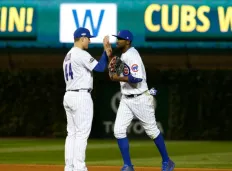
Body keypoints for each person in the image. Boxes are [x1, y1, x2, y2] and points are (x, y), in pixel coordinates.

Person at [108, 30, 175, 171]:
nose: (117, 40)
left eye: (120, 39)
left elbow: (136, 78)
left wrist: (117, 78)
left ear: (128, 41)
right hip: (126, 99)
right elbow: (117, 70)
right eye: (117, 38)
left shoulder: (133, 55)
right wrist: (109, 55)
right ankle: (128, 165)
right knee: (118, 130)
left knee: (152, 131)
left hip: (140, 98)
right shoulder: (124, 55)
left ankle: (167, 161)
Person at [63, 27, 111, 171]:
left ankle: (69, 167)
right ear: (82, 38)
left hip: (69, 95)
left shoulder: (68, 55)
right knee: (82, 134)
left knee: (71, 134)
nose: (89, 40)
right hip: (80, 96)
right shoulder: (80, 54)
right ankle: (80, 168)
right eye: (88, 38)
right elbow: (100, 67)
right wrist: (105, 51)